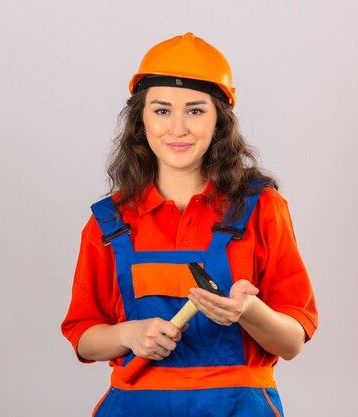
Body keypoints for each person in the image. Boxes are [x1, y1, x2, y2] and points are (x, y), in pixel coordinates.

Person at [61, 32, 318, 417]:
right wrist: (126, 334)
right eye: (162, 110)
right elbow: (83, 336)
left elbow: (292, 341)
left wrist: (247, 310)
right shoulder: (110, 220)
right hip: (136, 405)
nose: (177, 128)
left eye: (195, 110)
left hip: (238, 405)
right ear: (140, 119)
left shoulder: (262, 207)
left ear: (218, 121)